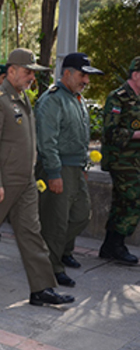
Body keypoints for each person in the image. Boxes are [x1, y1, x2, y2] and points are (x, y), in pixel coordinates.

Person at [0, 48, 75, 307]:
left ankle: (42, 288)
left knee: (31, 233)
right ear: (11, 70)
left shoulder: (21, 97)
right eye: (27, 72)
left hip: (25, 181)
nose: (31, 78)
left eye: (33, 73)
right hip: (2, 182)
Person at [36, 53, 103, 285]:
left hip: (75, 168)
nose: (87, 81)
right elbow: (47, 141)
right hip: (58, 167)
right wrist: (54, 173)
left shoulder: (77, 98)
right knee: (56, 221)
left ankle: (62, 251)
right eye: (83, 75)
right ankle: (51, 267)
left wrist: (82, 166)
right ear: (67, 73)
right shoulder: (52, 100)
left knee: (81, 215)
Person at [99, 56, 140, 265]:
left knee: (121, 202)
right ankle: (117, 245)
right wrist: (136, 134)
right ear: (136, 75)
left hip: (135, 160)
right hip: (120, 159)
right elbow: (110, 132)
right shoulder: (118, 98)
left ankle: (110, 246)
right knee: (134, 199)